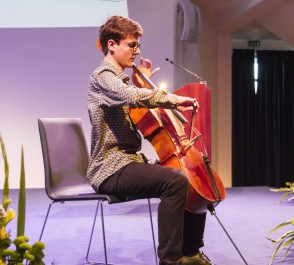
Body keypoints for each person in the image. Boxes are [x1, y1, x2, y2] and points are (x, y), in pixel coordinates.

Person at [86, 15, 213, 265]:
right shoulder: (102, 76)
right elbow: (130, 95)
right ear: (112, 44)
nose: (137, 51)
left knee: (191, 177)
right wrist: (173, 99)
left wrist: (138, 82)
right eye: (132, 45)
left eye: (138, 45)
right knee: (175, 182)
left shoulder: (120, 80)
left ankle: (191, 252)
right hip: (110, 168)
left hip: (130, 162)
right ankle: (171, 260)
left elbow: (133, 98)